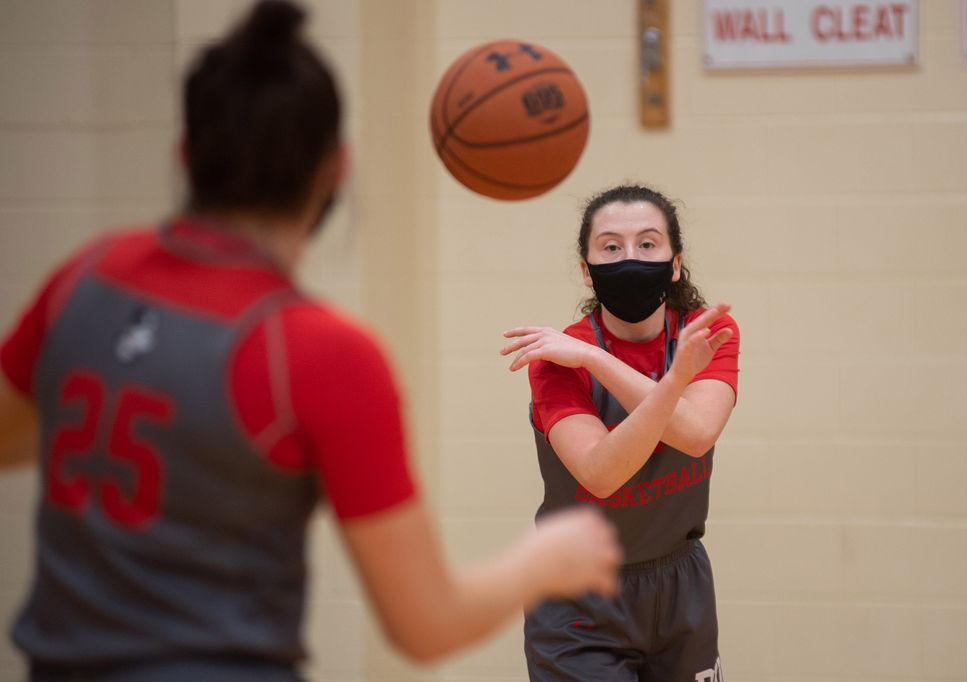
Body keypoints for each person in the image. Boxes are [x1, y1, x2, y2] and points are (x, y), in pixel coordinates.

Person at [0, 2, 622, 680]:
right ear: (336, 170)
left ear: (185, 154)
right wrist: (540, 563)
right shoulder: (317, 353)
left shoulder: (86, 276)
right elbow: (425, 624)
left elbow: (15, 436)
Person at [500, 184, 739, 682]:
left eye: (648, 244)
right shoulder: (558, 357)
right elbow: (601, 473)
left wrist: (600, 361)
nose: (630, 257)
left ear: (675, 263)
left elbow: (695, 435)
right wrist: (664, 379)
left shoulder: (705, 333)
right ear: (587, 271)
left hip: (679, 581)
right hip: (578, 595)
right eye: (611, 246)